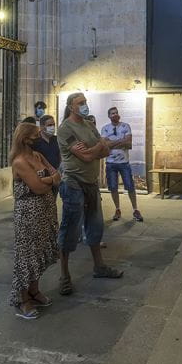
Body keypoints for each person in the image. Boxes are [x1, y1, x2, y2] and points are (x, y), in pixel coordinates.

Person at [57, 92, 123, 296]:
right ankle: (64, 275)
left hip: (91, 183)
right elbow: (86, 156)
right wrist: (98, 148)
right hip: (73, 183)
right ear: (71, 106)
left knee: (95, 225)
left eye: (85, 102)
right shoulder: (65, 129)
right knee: (70, 229)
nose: (85, 106)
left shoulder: (88, 124)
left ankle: (99, 266)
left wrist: (93, 149)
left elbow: (102, 151)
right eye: (81, 103)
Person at [8, 123, 61, 319]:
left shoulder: (37, 156)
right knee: (26, 255)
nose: (40, 137)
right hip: (29, 215)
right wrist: (50, 180)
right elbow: (38, 187)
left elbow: (56, 173)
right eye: (36, 135)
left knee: (39, 252)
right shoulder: (20, 161)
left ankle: (34, 290)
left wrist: (49, 179)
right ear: (25, 139)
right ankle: (23, 299)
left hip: (45, 211)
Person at [100, 107, 142, 222]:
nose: (115, 115)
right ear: (109, 116)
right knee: (113, 187)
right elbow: (105, 145)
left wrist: (112, 143)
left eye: (116, 113)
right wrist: (120, 141)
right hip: (110, 163)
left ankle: (135, 209)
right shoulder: (105, 128)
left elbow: (128, 144)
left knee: (130, 187)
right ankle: (117, 209)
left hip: (124, 163)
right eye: (112, 113)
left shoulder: (126, 126)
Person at [32, 114, 61, 196]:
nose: (52, 127)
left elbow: (60, 156)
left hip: (55, 176)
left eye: (54, 124)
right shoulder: (35, 141)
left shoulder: (56, 140)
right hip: (41, 177)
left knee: (52, 202)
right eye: (49, 125)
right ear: (41, 127)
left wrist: (58, 171)